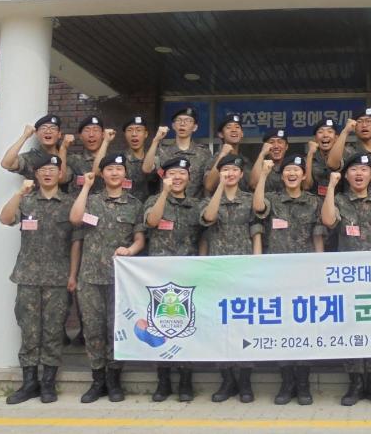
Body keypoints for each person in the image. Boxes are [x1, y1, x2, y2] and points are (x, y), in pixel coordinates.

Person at [69, 153, 146, 403]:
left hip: (120, 279)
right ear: (102, 174)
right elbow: (75, 218)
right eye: (110, 169)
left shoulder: (134, 204)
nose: (114, 173)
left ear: (125, 174)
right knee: (93, 330)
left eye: (119, 169)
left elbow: (139, 238)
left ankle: (114, 380)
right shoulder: (91, 201)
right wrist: (86, 187)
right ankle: (97, 381)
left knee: (117, 330)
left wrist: (130, 250)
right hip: (90, 277)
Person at [0, 154, 74, 404]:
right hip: (28, 277)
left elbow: (77, 241)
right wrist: (19, 193)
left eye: (53, 169)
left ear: (60, 174)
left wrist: (72, 275)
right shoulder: (27, 200)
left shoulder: (70, 204)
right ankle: (29, 383)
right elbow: (5, 219)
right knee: (29, 331)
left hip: (58, 279)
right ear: (36, 174)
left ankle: (48, 383)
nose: (48, 173)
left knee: (53, 331)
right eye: (43, 169)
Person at [254, 154, 326, 406]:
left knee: (304, 328)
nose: (292, 173)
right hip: (277, 275)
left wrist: (320, 268)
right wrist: (263, 175)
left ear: (304, 175)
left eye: (297, 170)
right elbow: (258, 208)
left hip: (306, 275)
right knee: (282, 328)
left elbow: (318, 235)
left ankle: (303, 383)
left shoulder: (314, 202)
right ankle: (286, 382)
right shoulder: (273, 199)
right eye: (287, 170)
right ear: (281, 175)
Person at [321, 153, 371, 406]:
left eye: (364, 169)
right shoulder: (339, 200)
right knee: (351, 326)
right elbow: (328, 220)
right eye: (353, 169)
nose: (359, 174)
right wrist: (331, 186)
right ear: (346, 175)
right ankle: (355, 382)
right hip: (348, 277)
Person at [201, 154, 264, 403]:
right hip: (217, 271)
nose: (229, 173)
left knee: (244, 325)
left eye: (234, 170)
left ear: (241, 174)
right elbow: (208, 219)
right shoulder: (207, 201)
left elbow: (256, 231)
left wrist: (256, 264)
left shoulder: (249, 200)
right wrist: (218, 188)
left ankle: (245, 380)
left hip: (243, 270)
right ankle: (227, 379)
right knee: (220, 327)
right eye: (225, 169)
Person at [144, 158, 204, 403]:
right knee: (161, 327)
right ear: (163, 177)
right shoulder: (153, 201)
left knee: (185, 327)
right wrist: (164, 193)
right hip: (160, 277)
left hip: (188, 275)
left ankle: (186, 381)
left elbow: (203, 236)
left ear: (189, 178)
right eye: (172, 173)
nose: (177, 178)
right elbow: (152, 221)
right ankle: (163, 380)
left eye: (182, 173)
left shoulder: (196, 205)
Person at [143, 106, 212, 198]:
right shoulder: (162, 151)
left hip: (194, 204)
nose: (182, 124)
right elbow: (147, 169)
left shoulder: (204, 152)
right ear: (173, 126)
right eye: (179, 120)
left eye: (188, 120)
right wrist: (156, 140)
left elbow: (208, 183)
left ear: (195, 127)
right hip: (167, 204)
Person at [327, 108, 371, 197]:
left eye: (368, 121)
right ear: (354, 127)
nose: (364, 125)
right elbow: (332, 164)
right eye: (360, 122)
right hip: (352, 203)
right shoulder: (348, 151)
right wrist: (345, 131)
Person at [0, 114, 70, 184]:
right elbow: (6, 164)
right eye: (43, 128)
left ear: (59, 134)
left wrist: (63, 149)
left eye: (53, 128)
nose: (48, 131)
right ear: (36, 133)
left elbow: (61, 179)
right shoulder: (30, 158)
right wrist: (25, 136)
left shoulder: (70, 158)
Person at [204, 113, 254, 194]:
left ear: (242, 134)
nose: (234, 130)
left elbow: (252, 185)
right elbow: (209, 186)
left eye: (237, 127)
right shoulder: (214, 159)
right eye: (228, 127)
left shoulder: (245, 161)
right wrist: (222, 155)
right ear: (221, 134)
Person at [119, 116, 157, 203]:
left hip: (151, 207)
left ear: (146, 134)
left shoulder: (156, 158)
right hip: (127, 207)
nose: (134, 134)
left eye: (139, 130)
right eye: (129, 130)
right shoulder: (119, 160)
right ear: (125, 134)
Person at [67, 115, 106, 194]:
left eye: (96, 130)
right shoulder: (73, 160)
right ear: (80, 136)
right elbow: (62, 178)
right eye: (87, 130)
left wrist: (106, 141)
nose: (91, 134)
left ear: (103, 134)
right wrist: (63, 148)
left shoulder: (112, 161)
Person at [306, 118, 339, 198]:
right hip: (315, 201)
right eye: (320, 132)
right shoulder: (308, 159)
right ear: (315, 138)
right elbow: (307, 186)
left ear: (336, 138)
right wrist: (310, 154)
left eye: (330, 132)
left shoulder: (345, 155)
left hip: (340, 201)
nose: (325, 135)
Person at [249, 128, 290, 192]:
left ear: (286, 146)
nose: (276, 146)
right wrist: (262, 154)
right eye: (271, 142)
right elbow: (254, 185)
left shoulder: (292, 166)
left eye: (280, 142)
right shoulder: (259, 166)